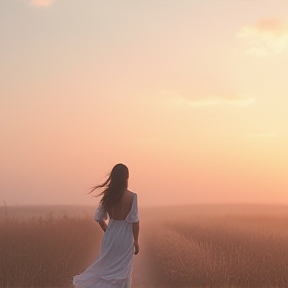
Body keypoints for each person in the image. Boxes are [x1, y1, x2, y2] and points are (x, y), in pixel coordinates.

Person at [73, 163, 140, 288]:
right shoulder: (132, 196)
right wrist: (136, 241)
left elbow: (99, 218)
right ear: (127, 177)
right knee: (122, 272)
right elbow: (135, 221)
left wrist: (108, 231)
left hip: (110, 235)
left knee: (107, 269)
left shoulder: (108, 196)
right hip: (125, 238)